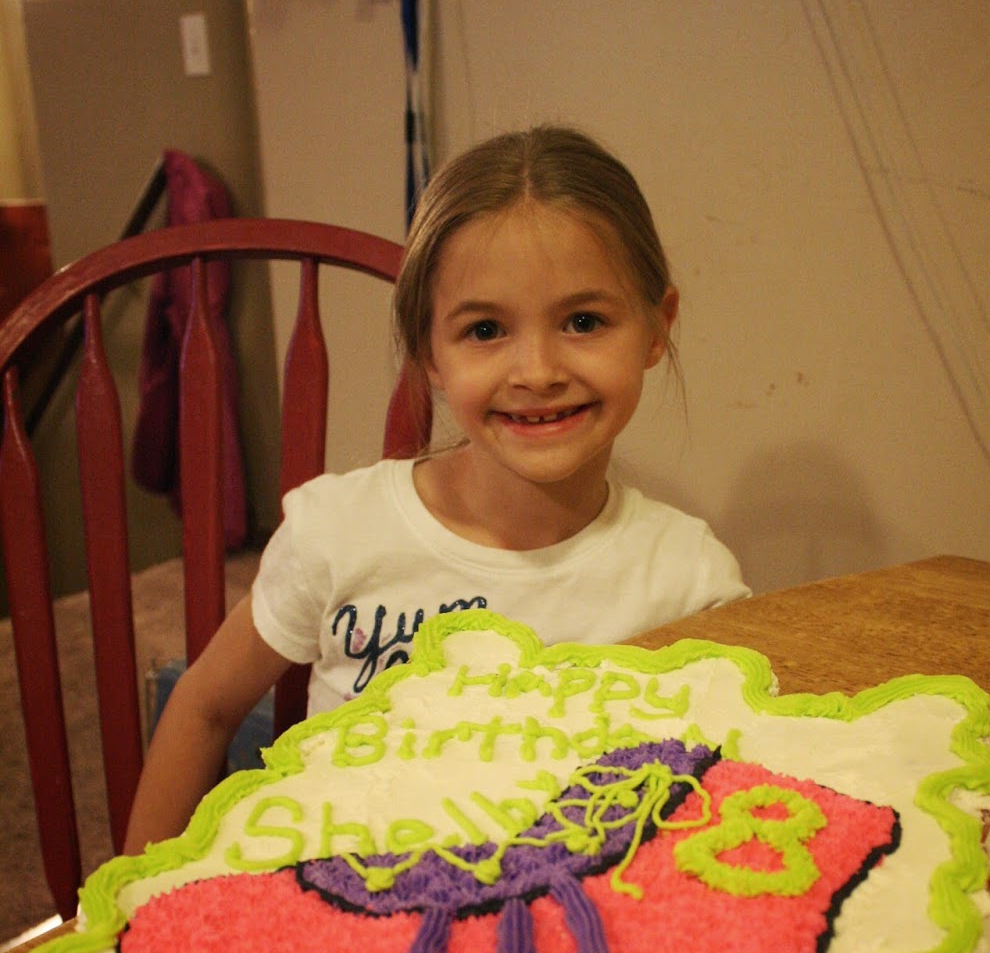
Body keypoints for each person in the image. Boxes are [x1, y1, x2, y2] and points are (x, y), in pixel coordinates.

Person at [122, 125, 749, 852]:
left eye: (584, 321)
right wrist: (126, 907)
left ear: (654, 329)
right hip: (336, 924)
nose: (538, 370)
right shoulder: (340, 531)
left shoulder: (690, 581)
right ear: (429, 353)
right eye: (485, 329)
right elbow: (202, 707)